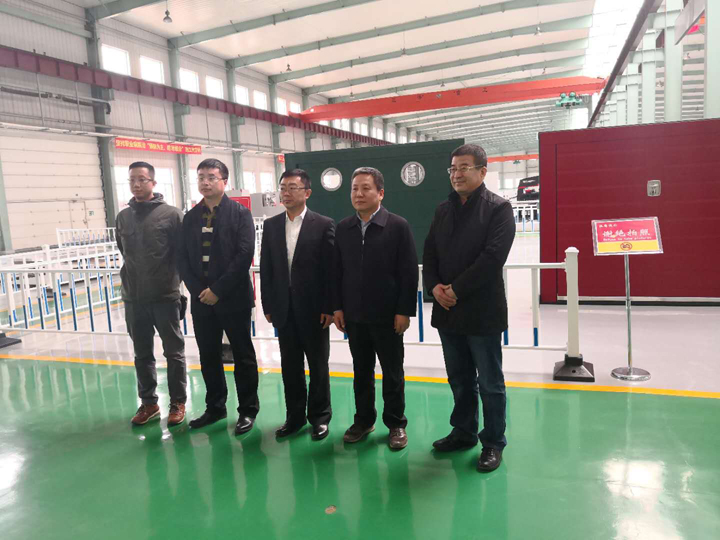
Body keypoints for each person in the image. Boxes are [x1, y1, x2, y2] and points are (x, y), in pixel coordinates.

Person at [422, 143, 516, 472]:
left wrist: (456, 289)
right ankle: (463, 432)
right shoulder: (442, 209)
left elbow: (492, 258)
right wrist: (434, 286)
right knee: (459, 379)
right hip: (448, 311)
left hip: (482, 311)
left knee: (490, 382)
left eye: (464, 167)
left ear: (482, 171)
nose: (457, 174)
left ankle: (493, 442)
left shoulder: (498, 209)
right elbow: (430, 251)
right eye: (453, 168)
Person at [333, 167, 418, 450]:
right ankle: (363, 420)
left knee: (392, 373)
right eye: (354, 188)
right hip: (355, 316)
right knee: (361, 372)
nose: (358, 194)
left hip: (387, 316)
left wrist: (404, 311)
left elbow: (408, 273)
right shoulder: (344, 228)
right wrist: (338, 307)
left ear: (380, 193)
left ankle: (395, 424)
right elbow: (337, 271)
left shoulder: (397, 226)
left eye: (366, 188)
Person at [177, 158, 259, 434]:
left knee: (243, 356)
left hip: (233, 298)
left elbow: (244, 255)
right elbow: (182, 259)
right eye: (201, 177)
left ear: (224, 181)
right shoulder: (190, 217)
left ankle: (247, 410)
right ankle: (215, 407)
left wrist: (218, 290)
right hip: (202, 300)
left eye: (211, 177)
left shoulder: (240, 214)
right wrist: (199, 291)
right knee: (208, 355)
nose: (205, 182)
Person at [260, 169, 335, 441]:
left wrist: (329, 306)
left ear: (307, 192)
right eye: (283, 188)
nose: (286, 193)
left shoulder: (323, 224)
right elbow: (267, 268)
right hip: (284, 309)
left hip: (315, 310)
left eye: (293, 187)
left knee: (318, 365)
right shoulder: (271, 225)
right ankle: (294, 417)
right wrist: (268, 304)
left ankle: (320, 418)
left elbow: (330, 270)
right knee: (290, 366)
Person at [116, 161, 187, 426]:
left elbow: (182, 254)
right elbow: (124, 252)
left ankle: (178, 401)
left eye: (141, 180)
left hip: (165, 296)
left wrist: (172, 283)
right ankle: (149, 403)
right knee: (142, 354)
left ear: (153, 183)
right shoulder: (123, 217)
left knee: (174, 353)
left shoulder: (172, 215)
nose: (136, 184)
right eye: (132, 180)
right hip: (134, 298)